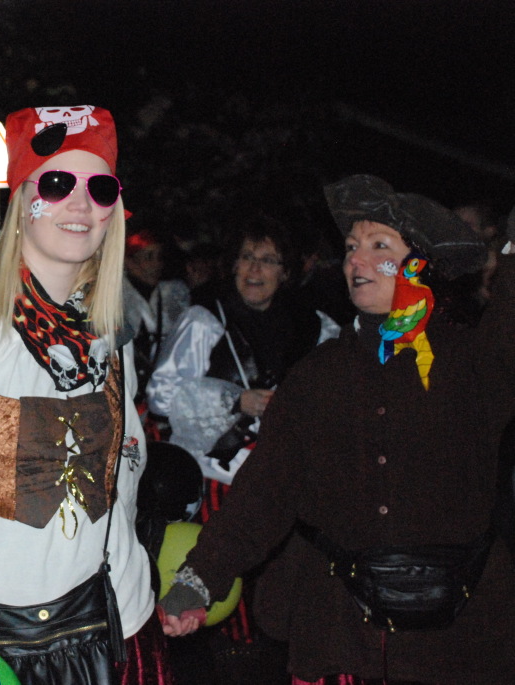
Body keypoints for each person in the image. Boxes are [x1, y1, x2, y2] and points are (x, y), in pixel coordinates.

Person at [161, 174, 515, 685]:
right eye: (351, 247)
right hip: (342, 637)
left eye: (378, 246)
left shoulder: (472, 366)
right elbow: (266, 491)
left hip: (457, 641)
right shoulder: (316, 375)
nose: (355, 260)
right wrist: (199, 581)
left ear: (419, 265)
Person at [0, 105, 168, 684]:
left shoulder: (109, 328)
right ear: (22, 199)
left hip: (111, 628)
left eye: (99, 187)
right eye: (55, 182)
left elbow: (126, 475)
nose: (80, 203)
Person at [147, 215, 338, 683]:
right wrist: (235, 399)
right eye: (247, 257)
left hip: (283, 483)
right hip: (218, 482)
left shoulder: (315, 328)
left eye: (269, 260)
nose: (255, 269)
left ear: (287, 271)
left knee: (275, 600)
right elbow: (160, 394)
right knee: (215, 596)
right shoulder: (203, 320)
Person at [122, 229, 189, 407]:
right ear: (129, 260)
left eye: (159, 256)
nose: (157, 264)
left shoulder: (173, 293)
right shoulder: (116, 293)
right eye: (148, 257)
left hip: (163, 389)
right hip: (127, 388)